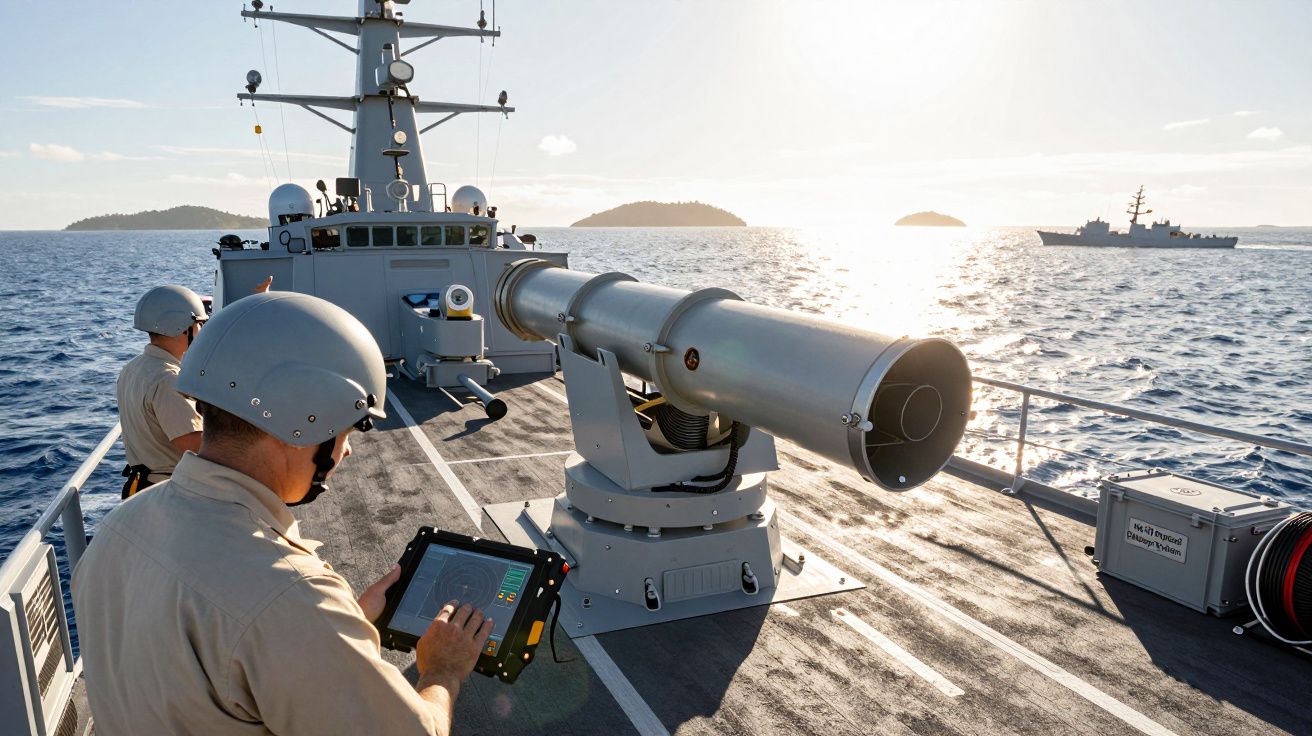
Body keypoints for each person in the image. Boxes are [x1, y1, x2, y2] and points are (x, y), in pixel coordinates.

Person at [73, 292, 490, 735]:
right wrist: (442, 669)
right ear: (300, 426)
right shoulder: (290, 596)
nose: (345, 450)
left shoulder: (119, 527)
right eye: (345, 430)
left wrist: (345, 618)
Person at [116, 285, 207, 497]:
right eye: (199, 324)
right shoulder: (168, 380)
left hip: (144, 489)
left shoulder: (133, 367)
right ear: (181, 327)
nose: (202, 331)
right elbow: (196, 447)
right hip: (173, 495)